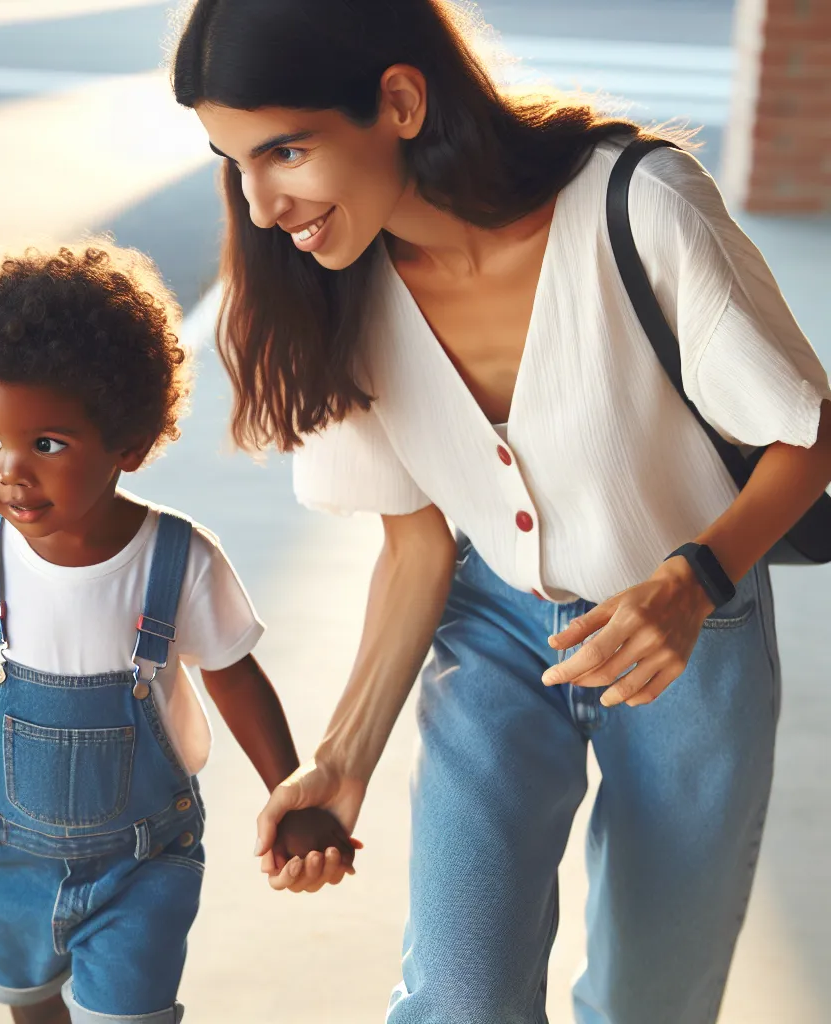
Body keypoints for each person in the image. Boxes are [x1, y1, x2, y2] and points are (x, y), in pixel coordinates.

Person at [171, 1, 831, 1021]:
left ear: (396, 99)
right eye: (233, 161)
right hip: (492, 631)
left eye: (285, 150)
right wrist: (339, 761)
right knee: (457, 996)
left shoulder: (636, 203)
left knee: (648, 999)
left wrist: (691, 583)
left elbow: (803, 432)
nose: (260, 205)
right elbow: (417, 541)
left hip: (690, 638)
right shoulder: (328, 292)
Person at [0, 242, 354, 1024]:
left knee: (131, 1015)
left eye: (48, 444)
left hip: (144, 859)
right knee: (30, 1005)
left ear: (127, 444)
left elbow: (234, 676)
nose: (11, 471)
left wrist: (289, 789)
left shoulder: (178, 559)